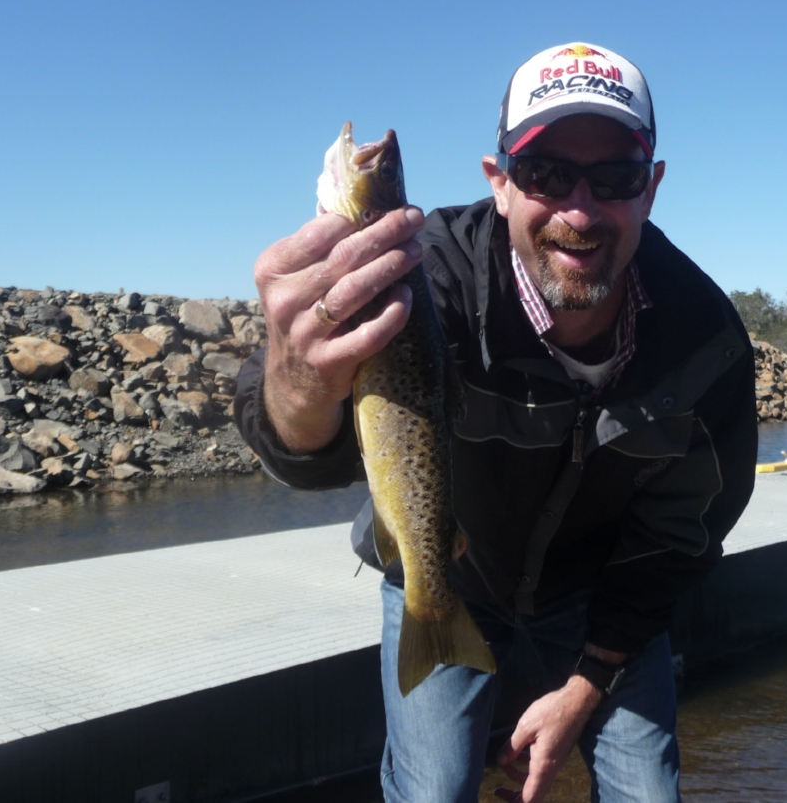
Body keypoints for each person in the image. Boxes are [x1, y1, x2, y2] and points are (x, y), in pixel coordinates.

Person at [234, 42, 758, 803]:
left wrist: (587, 686)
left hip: (602, 592)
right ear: (500, 183)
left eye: (614, 176)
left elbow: (680, 540)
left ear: (651, 189)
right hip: (444, 578)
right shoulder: (426, 278)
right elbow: (303, 457)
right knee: (432, 791)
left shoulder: (702, 340)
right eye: (546, 174)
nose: (579, 210)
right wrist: (301, 381)